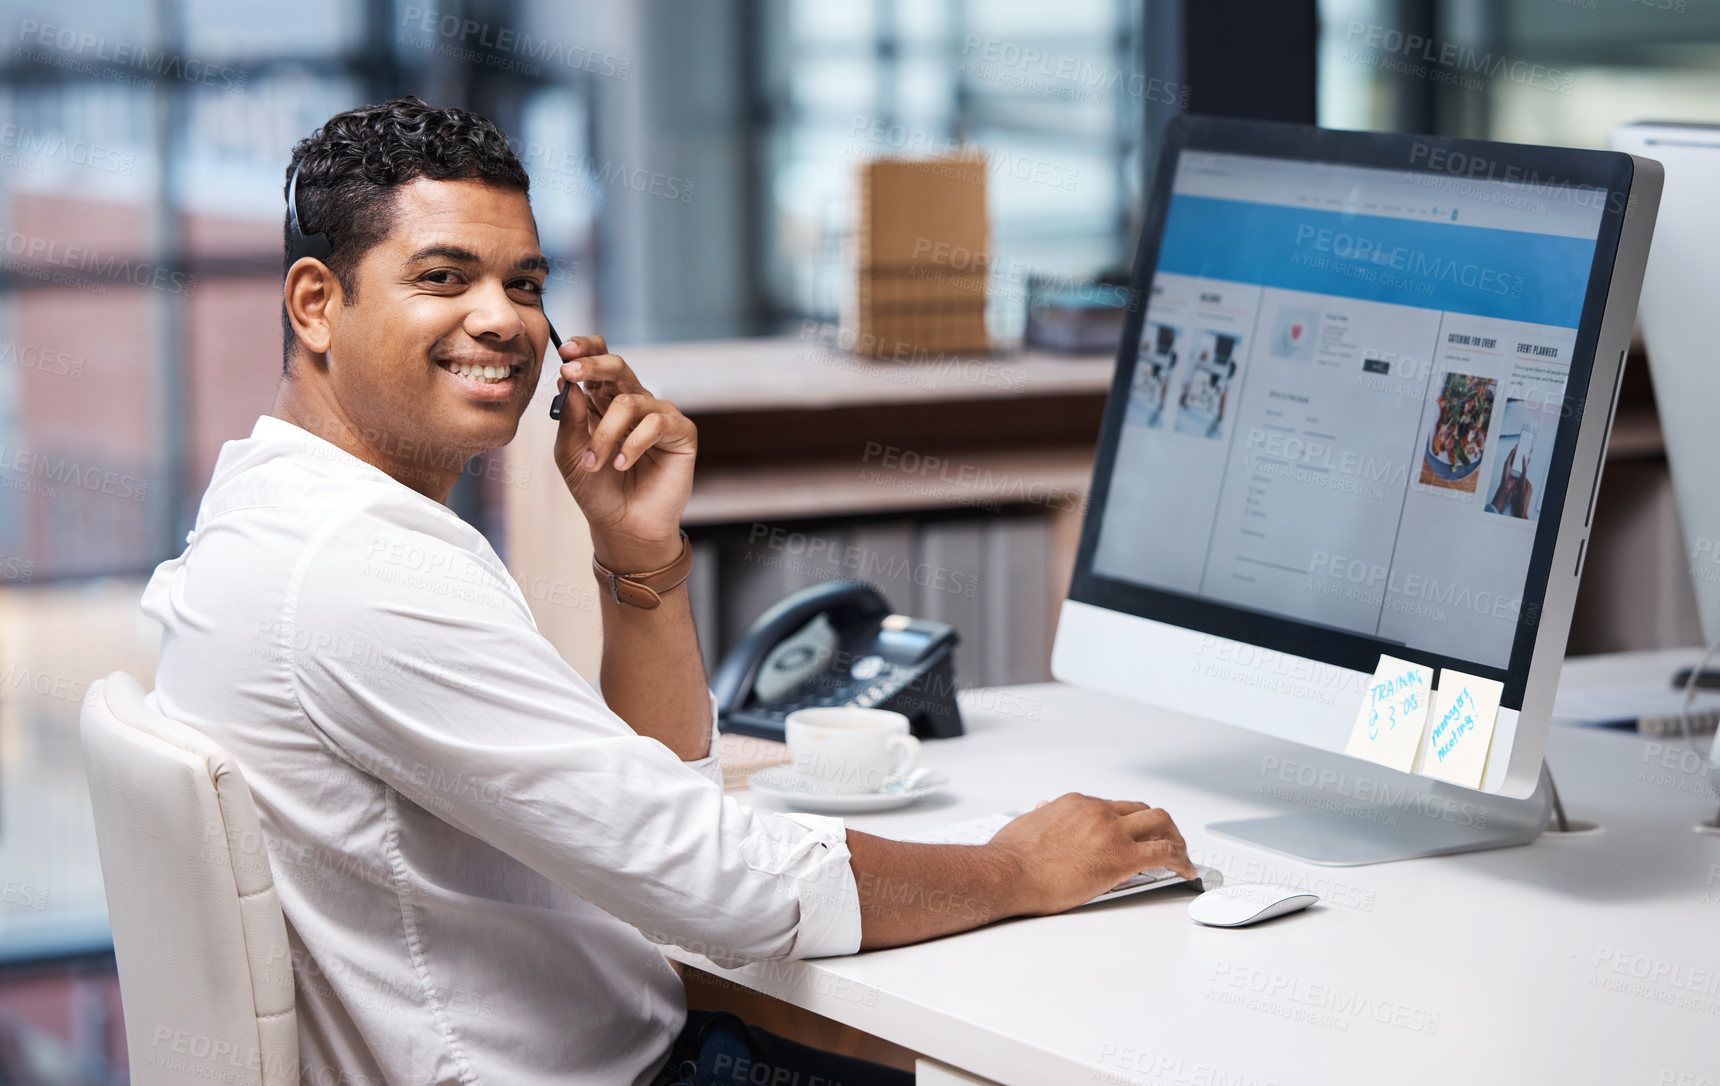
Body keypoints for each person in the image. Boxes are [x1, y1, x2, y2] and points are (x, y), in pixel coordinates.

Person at [139, 96, 1195, 1086]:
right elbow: (722, 885)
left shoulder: (270, 508)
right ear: (317, 303)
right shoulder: (362, 570)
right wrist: (1016, 867)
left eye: (526, 284)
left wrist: (637, 559)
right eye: (445, 277)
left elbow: (662, 816)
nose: (502, 320)